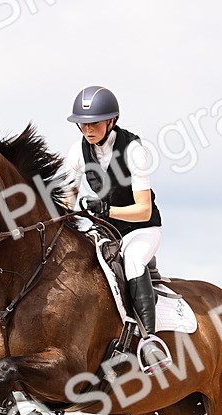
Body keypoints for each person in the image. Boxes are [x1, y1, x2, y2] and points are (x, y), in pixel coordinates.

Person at [63, 85, 172, 374]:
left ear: (111, 121)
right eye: (83, 124)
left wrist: (107, 210)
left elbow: (144, 209)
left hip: (141, 229)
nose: (87, 129)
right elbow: (66, 198)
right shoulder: (78, 151)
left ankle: (151, 341)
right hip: (105, 230)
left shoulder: (134, 150)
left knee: (133, 261)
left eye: (94, 123)